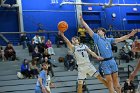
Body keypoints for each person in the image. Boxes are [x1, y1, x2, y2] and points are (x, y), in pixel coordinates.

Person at [80, 15, 138, 93]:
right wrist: (82, 21)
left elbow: (121, 39)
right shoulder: (97, 38)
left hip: (112, 61)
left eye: (99, 30)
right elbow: (88, 29)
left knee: (116, 83)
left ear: (103, 32)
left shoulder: (109, 40)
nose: (98, 31)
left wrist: (130, 35)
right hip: (104, 62)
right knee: (110, 82)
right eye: (97, 31)